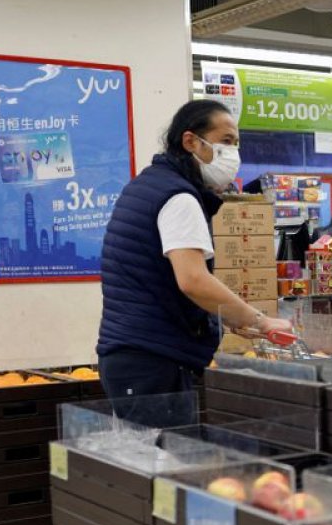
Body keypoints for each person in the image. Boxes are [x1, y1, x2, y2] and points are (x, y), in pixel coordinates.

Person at [96, 99, 292, 406]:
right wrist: (261, 320)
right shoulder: (179, 198)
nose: (233, 154)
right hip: (153, 359)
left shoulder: (149, 185)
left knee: (145, 452)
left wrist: (226, 317)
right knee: (167, 452)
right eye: (225, 141)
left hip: (131, 356)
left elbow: (160, 280)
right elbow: (193, 281)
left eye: (236, 144)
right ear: (190, 141)